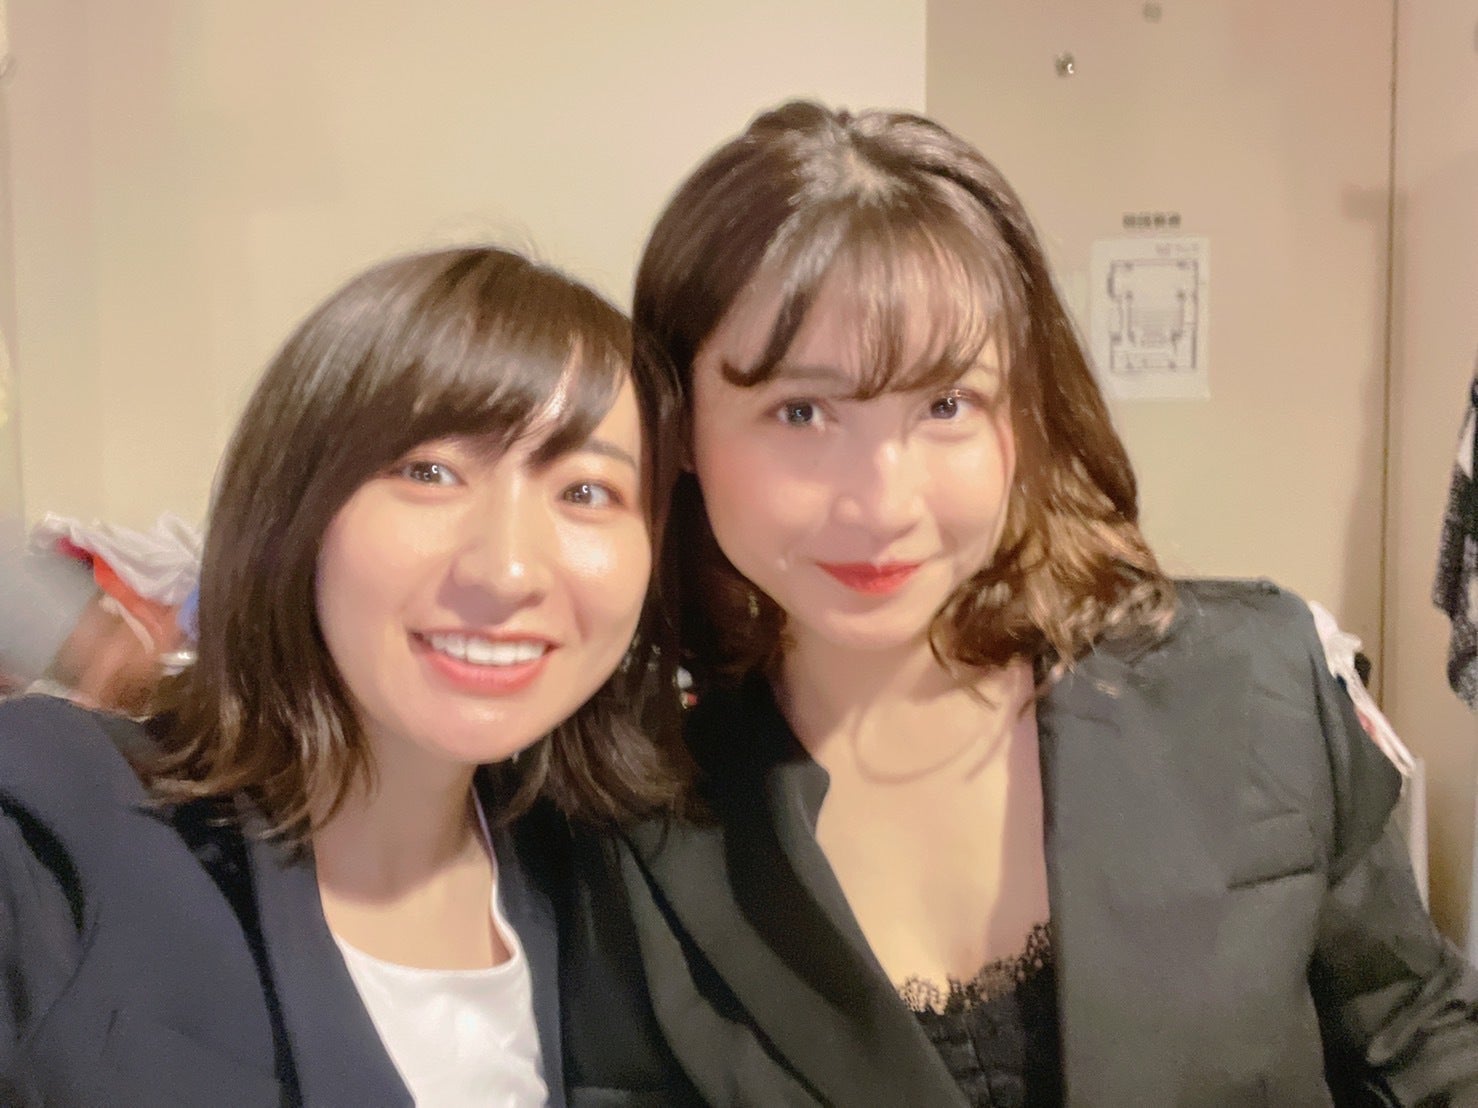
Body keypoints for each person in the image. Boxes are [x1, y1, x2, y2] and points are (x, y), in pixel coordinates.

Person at [558, 102, 1478, 1106]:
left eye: (945, 404)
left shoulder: (1256, 686)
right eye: (801, 411)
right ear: (681, 426)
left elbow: (1416, 1040)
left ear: (1021, 411)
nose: (883, 503)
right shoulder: (628, 814)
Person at [0, 245, 687, 1106]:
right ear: (294, 509)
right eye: (429, 472)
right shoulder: (58, 829)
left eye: (587, 492)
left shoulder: (611, 886)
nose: (508, 570)